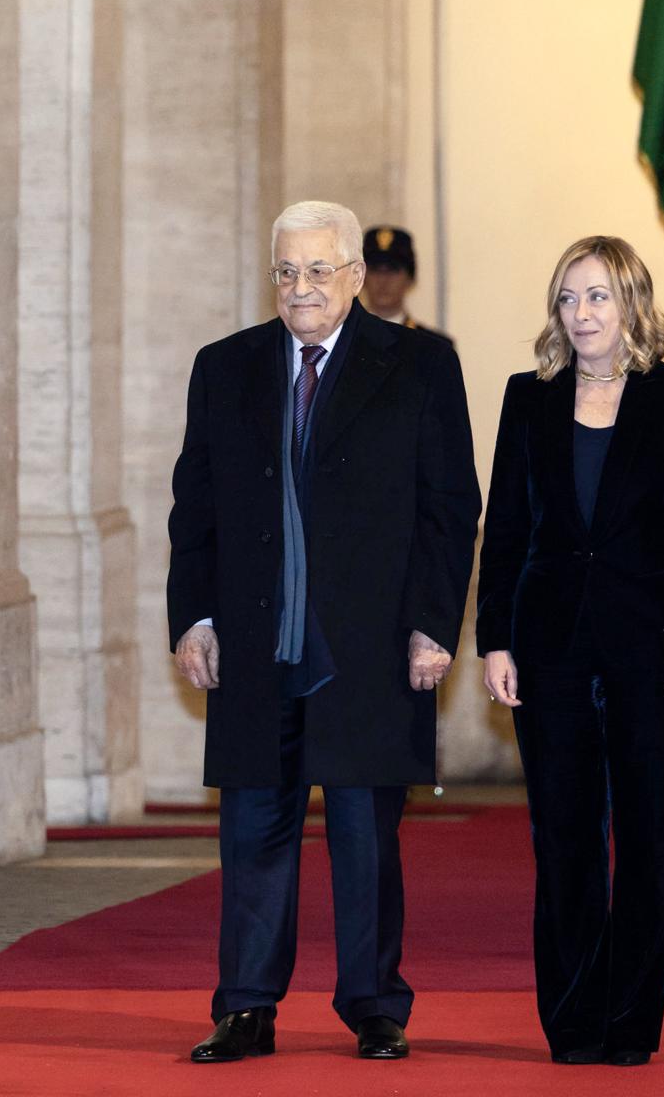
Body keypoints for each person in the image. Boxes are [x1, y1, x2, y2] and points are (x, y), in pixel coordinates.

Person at [167, 199, 481, 1064]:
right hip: (254, 642)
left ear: (353, 276)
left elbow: (450, 509)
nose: (301, 288)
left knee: (363, 834)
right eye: (286, 272)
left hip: (372, 644)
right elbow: (193, 506)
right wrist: (193, 616)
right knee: (254, 830)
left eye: (317, 271)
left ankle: (375, 1005)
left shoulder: (419, 365)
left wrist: (432, 625)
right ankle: (246, 1008)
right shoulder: (223, 367)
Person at [476, 235, 664, 1067]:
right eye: (568, 299)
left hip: (655, 651)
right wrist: (494, 638)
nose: (580, 314)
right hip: (546, 648)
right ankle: (575, 1019)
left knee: (649, 840)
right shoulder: (527, 396)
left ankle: (631, 1022)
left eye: (597, 298)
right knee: (564, 838)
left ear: (631, 305)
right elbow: (505, 528)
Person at [358, 225, 451, 344]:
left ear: (410, 279)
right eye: (375, 269)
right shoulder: (341, 338)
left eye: (393, 270)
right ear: (360, 277)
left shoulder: (436, 347)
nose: (383, 279)